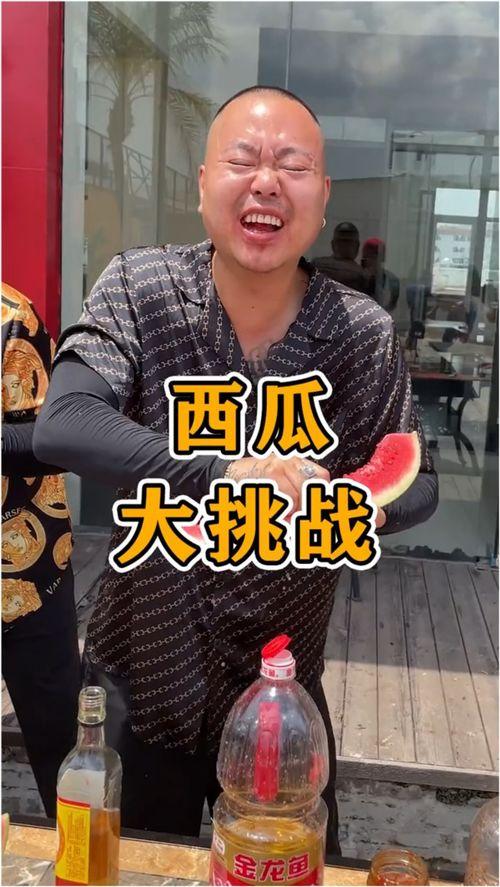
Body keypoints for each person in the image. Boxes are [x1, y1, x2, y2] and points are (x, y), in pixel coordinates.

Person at [34, 86, 438, 849]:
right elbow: (66, 420)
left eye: (293, 166)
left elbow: (418, 476)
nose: (266, 183)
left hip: (281, 700)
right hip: (139, 683)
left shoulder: (361, 333)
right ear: (202, 185)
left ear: (322, 196)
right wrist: (221, 469)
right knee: (122, 866)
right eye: (244, 160)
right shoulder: (138, 288)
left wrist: (359, 501)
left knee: (283, 866)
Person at [2, 282, 81, 817]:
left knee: (63, 752)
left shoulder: (12, 318)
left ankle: (79, 854)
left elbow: (51, 443)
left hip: (28, 577)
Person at [312, 221, 370, 293]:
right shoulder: (361, 275)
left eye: (348, 242)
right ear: (357, 247)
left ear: (333, 245)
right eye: (342, 241)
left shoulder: (317, 265)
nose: (345, 246)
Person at [361, 237, 400, 312]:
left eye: (374, 257)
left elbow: (392, 305)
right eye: (367, 257)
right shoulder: (357, 277)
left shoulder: (392, 281)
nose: (371, 261)